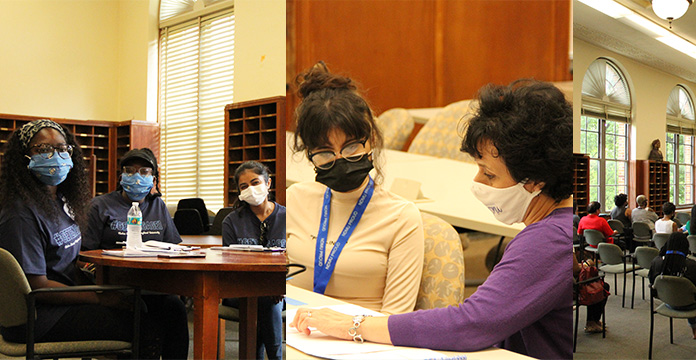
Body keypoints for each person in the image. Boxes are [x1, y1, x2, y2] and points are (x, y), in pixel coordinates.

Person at [289, 79, 577, 358]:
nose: (477, 181)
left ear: (534, 180)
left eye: (489, 174)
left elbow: (471, 324)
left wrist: (352, 325)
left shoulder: (547, 241)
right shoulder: (556, 229)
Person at [0, 120, 188, 359]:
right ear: (24, 157)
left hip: (59, 302)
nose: (55, 156)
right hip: (39, 314)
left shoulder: (58, 205)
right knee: (145, 325)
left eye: (62, 149)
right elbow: (38, 286)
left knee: (157, 310)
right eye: (43, 149)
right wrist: (101, 298)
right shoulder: (21, 214)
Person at [284, 62, 424, 315]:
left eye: (351, 148)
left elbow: (395, 320)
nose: (340, 159)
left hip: (359, 341)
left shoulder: (401, 217)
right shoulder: (295, 199)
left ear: (370, 141)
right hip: (296, 331)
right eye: (325, 153)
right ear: (309, 154)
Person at [221, 161, 286, 359]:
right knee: (265, 300)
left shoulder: (288, 217)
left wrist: (277, 285)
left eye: (255, 182)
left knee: (268, 300)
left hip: (281, 292)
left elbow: (299, 263)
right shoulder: (231, 222)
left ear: (268, 183)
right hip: (240, 290)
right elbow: (228, 266)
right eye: (244, 186)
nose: (251, 189)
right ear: (239, 193)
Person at [82, 148, 181, 250]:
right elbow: (86, 253)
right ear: (121, 178)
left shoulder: (158, 205)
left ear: (153, 180)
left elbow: (172, 247)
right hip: (114, 264)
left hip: (152, 264)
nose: (137, 177)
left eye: (144, 172)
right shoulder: (99, 206)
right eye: (130, 171)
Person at [649, 232, 696, 339]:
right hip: (690, 304)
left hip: (667, 301)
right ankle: (695, 329)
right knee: (693, 291)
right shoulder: (692, 266)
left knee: (683, 289)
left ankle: (695, 328)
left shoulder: (656, 263)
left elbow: (652, 281)